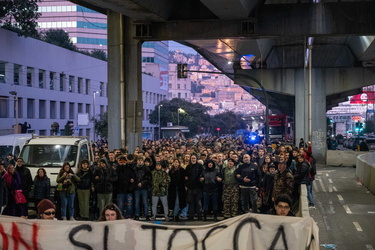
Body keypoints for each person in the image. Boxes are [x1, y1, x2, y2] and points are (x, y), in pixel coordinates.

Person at [185, 154, 204, 221]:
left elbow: (202, 175)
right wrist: (186, 185)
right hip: (190, 187)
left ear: (196, 159)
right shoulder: (188, 167)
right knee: (191, 202)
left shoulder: (200, 166)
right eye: (192, 158)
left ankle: (199, 216)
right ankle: (191, 216)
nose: (193, 159)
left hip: (198, 187)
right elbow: (186, 177)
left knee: (198, 203)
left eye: (194, 158)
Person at [133, 156, 151, 220]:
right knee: (137, 202)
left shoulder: (146, 168)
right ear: (137, 161)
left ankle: (146, 215)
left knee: (145, 202)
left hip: (144, 187)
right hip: (136, 188)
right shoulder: (134, 168)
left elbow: (148, 178)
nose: (140, 161)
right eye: (139, 160)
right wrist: (136, 183)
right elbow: (133, 178)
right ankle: (137, 215)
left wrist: (142, 183)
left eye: (141, 160)